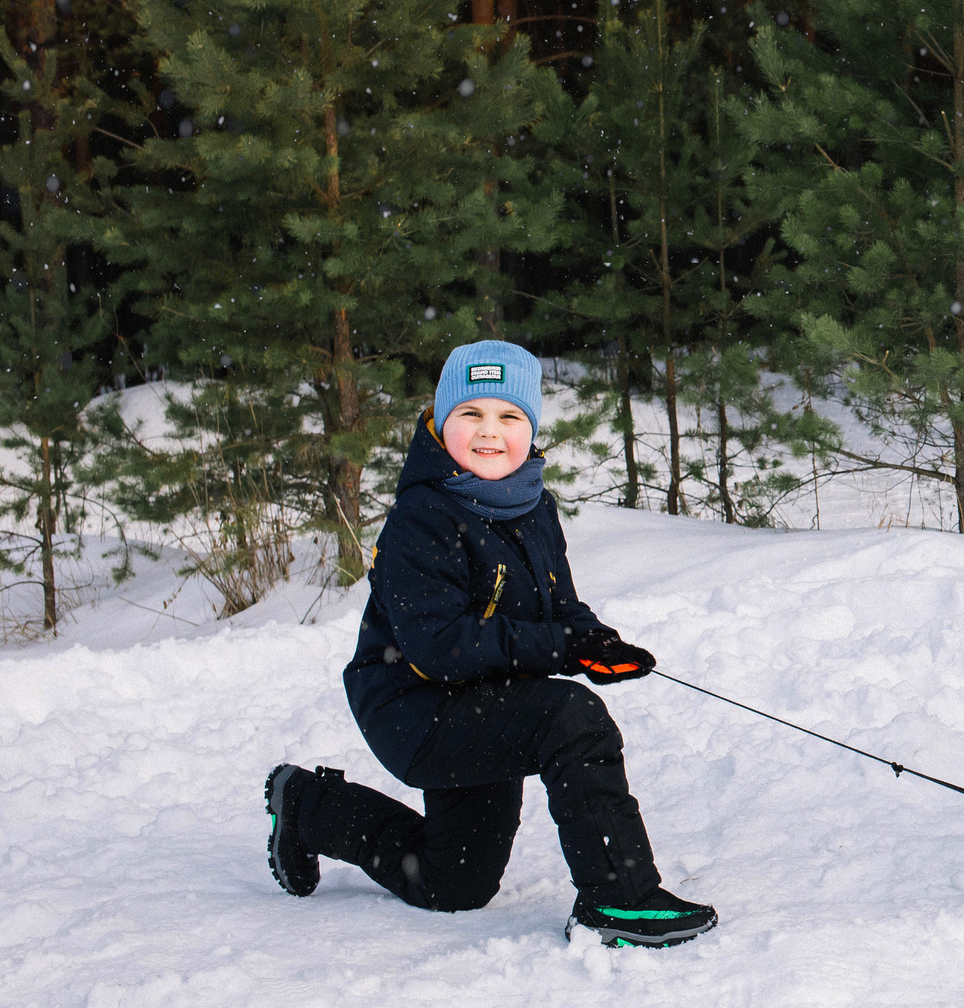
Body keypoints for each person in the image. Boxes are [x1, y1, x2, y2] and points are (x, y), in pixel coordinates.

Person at [261, 342, 718, 948]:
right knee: (571, 718)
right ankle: (620, 899)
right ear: (441, 424)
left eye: (509, 417)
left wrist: (594, 641)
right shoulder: (421, 517)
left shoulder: (534, 505)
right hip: (417, 710)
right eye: (469, 414)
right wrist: (559, 650)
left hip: (486, 700)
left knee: (453, 884)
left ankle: (309, 806)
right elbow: (439, 644)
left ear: (530, 430)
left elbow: (558, 606)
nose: (488, 432)